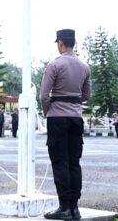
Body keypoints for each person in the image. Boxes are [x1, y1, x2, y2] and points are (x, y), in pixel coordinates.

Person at [40, 29, 92, 221]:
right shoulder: (84, 67)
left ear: (61, 43)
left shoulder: (54, 65)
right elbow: (86, 95)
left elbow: (44, 95)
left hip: (58, 118)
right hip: (76, 117)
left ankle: (64, 207)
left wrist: (49, 112)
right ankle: (74, 208)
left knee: (60, 162)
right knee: (73, 163)